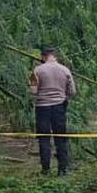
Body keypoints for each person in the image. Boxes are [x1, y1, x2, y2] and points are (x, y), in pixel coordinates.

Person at [27, 45, 75, 175]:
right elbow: (72, 91)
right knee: (61, 138)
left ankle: (46, 170)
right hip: (59, 106)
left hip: (42, 107)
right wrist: (63, 96)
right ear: (54, 56)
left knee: (44, 138)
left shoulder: (36, 70)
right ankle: (62, 169)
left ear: (43, 57)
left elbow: (32, 90)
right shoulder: (65, 70)